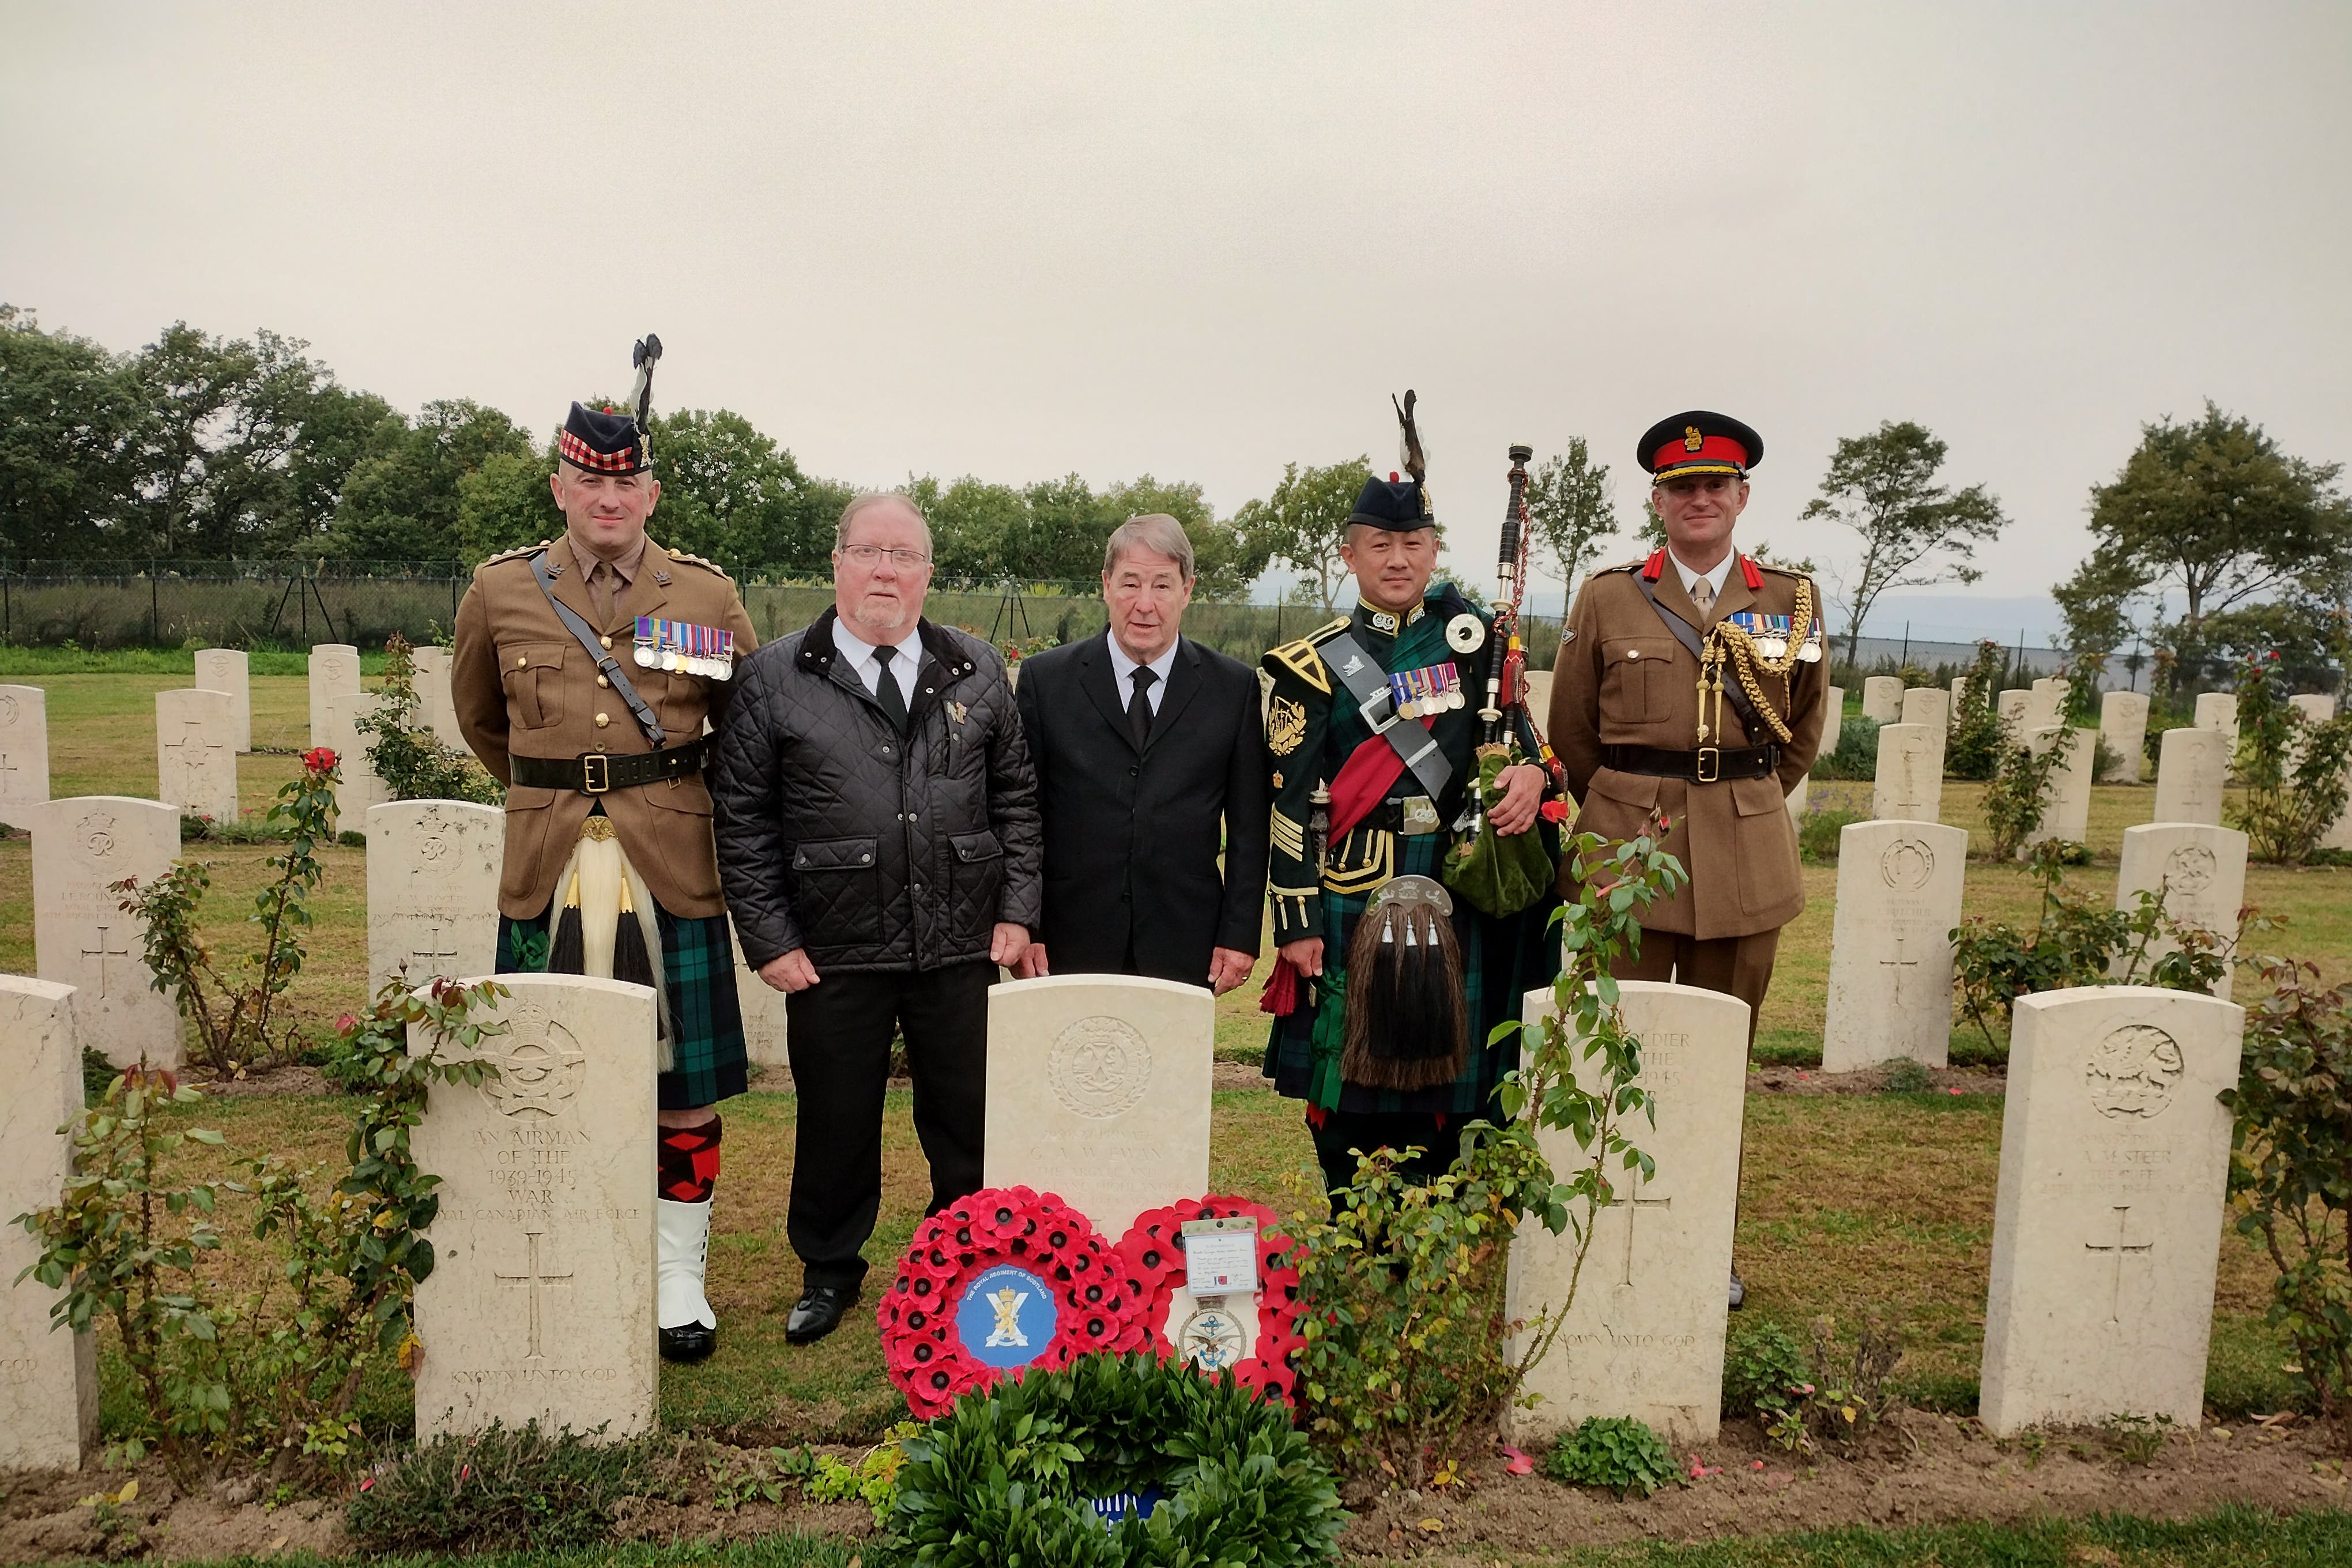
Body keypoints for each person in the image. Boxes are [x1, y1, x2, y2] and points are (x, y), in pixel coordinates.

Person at [451, 397, 759, 1366]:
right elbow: (480, 720)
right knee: (545, 1073)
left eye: (626, 481)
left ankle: (677, 1277)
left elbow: (741, 725)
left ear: (651, 491)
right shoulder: (501, 591)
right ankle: (572, 1248)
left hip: (667, 861)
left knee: (683, 1081)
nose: (609, 497)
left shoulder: (702, 599)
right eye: (591, 479)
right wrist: (551, 791)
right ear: (561, 487)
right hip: (548, 863)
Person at [711, 492, 1042, 1347]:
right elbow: (743, 819)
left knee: (965, 1112)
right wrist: (771, 939)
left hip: (960, 934)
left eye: (904, 556)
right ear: (837, 565)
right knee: (835, 1114)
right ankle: (829, 1270)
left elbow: (1017, 801)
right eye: (869, 553)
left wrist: (1016, 911)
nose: (886, 571)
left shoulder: (975, 667)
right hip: (832, 944)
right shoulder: (775, 675)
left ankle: (962, 1255)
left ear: (929, 573)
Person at [1544, 409, 1829, 1308]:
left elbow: (1804, 730)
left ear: (1742, 497)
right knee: (1612, 1048)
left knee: (1716, 1066)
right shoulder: (1606, 598)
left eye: (1716, 485)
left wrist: (1734, 799)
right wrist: (1633, 803)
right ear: (1658, 501)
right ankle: (1597, 1237)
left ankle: (1708, 1241)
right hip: (1627, 852)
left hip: (1744, 859)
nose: (1699, 499)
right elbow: (1573, 736)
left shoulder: (1793, 602)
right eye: (1681, 487)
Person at [1260, 467, 1562, 1193]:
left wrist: (1532, 775)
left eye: (1414, 542)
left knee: (1451, 1093)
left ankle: (1434, 1246)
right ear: (1350, 555)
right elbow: (1289, 804)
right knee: (1346, 1091)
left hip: (1453, 885)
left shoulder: (1480, 651)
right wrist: (1298, 921)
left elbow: (1526, 748)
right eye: (1381, 543)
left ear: (1433, 552)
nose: (1398, 558)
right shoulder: (1309, 667)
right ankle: (1353, 1236)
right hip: (1352, 890)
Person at [1010, 514, 1269, 993]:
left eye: (1162, 586)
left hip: (1187, 942)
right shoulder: (1046, 681)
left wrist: (1239, 934)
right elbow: (1024, 813)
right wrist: (1029, 924)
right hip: (1068, 943)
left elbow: (1251, 827)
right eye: (1130, 583)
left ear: (1187, 590)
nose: (1145, 605)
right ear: (1106, 586)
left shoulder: (1232, 689)